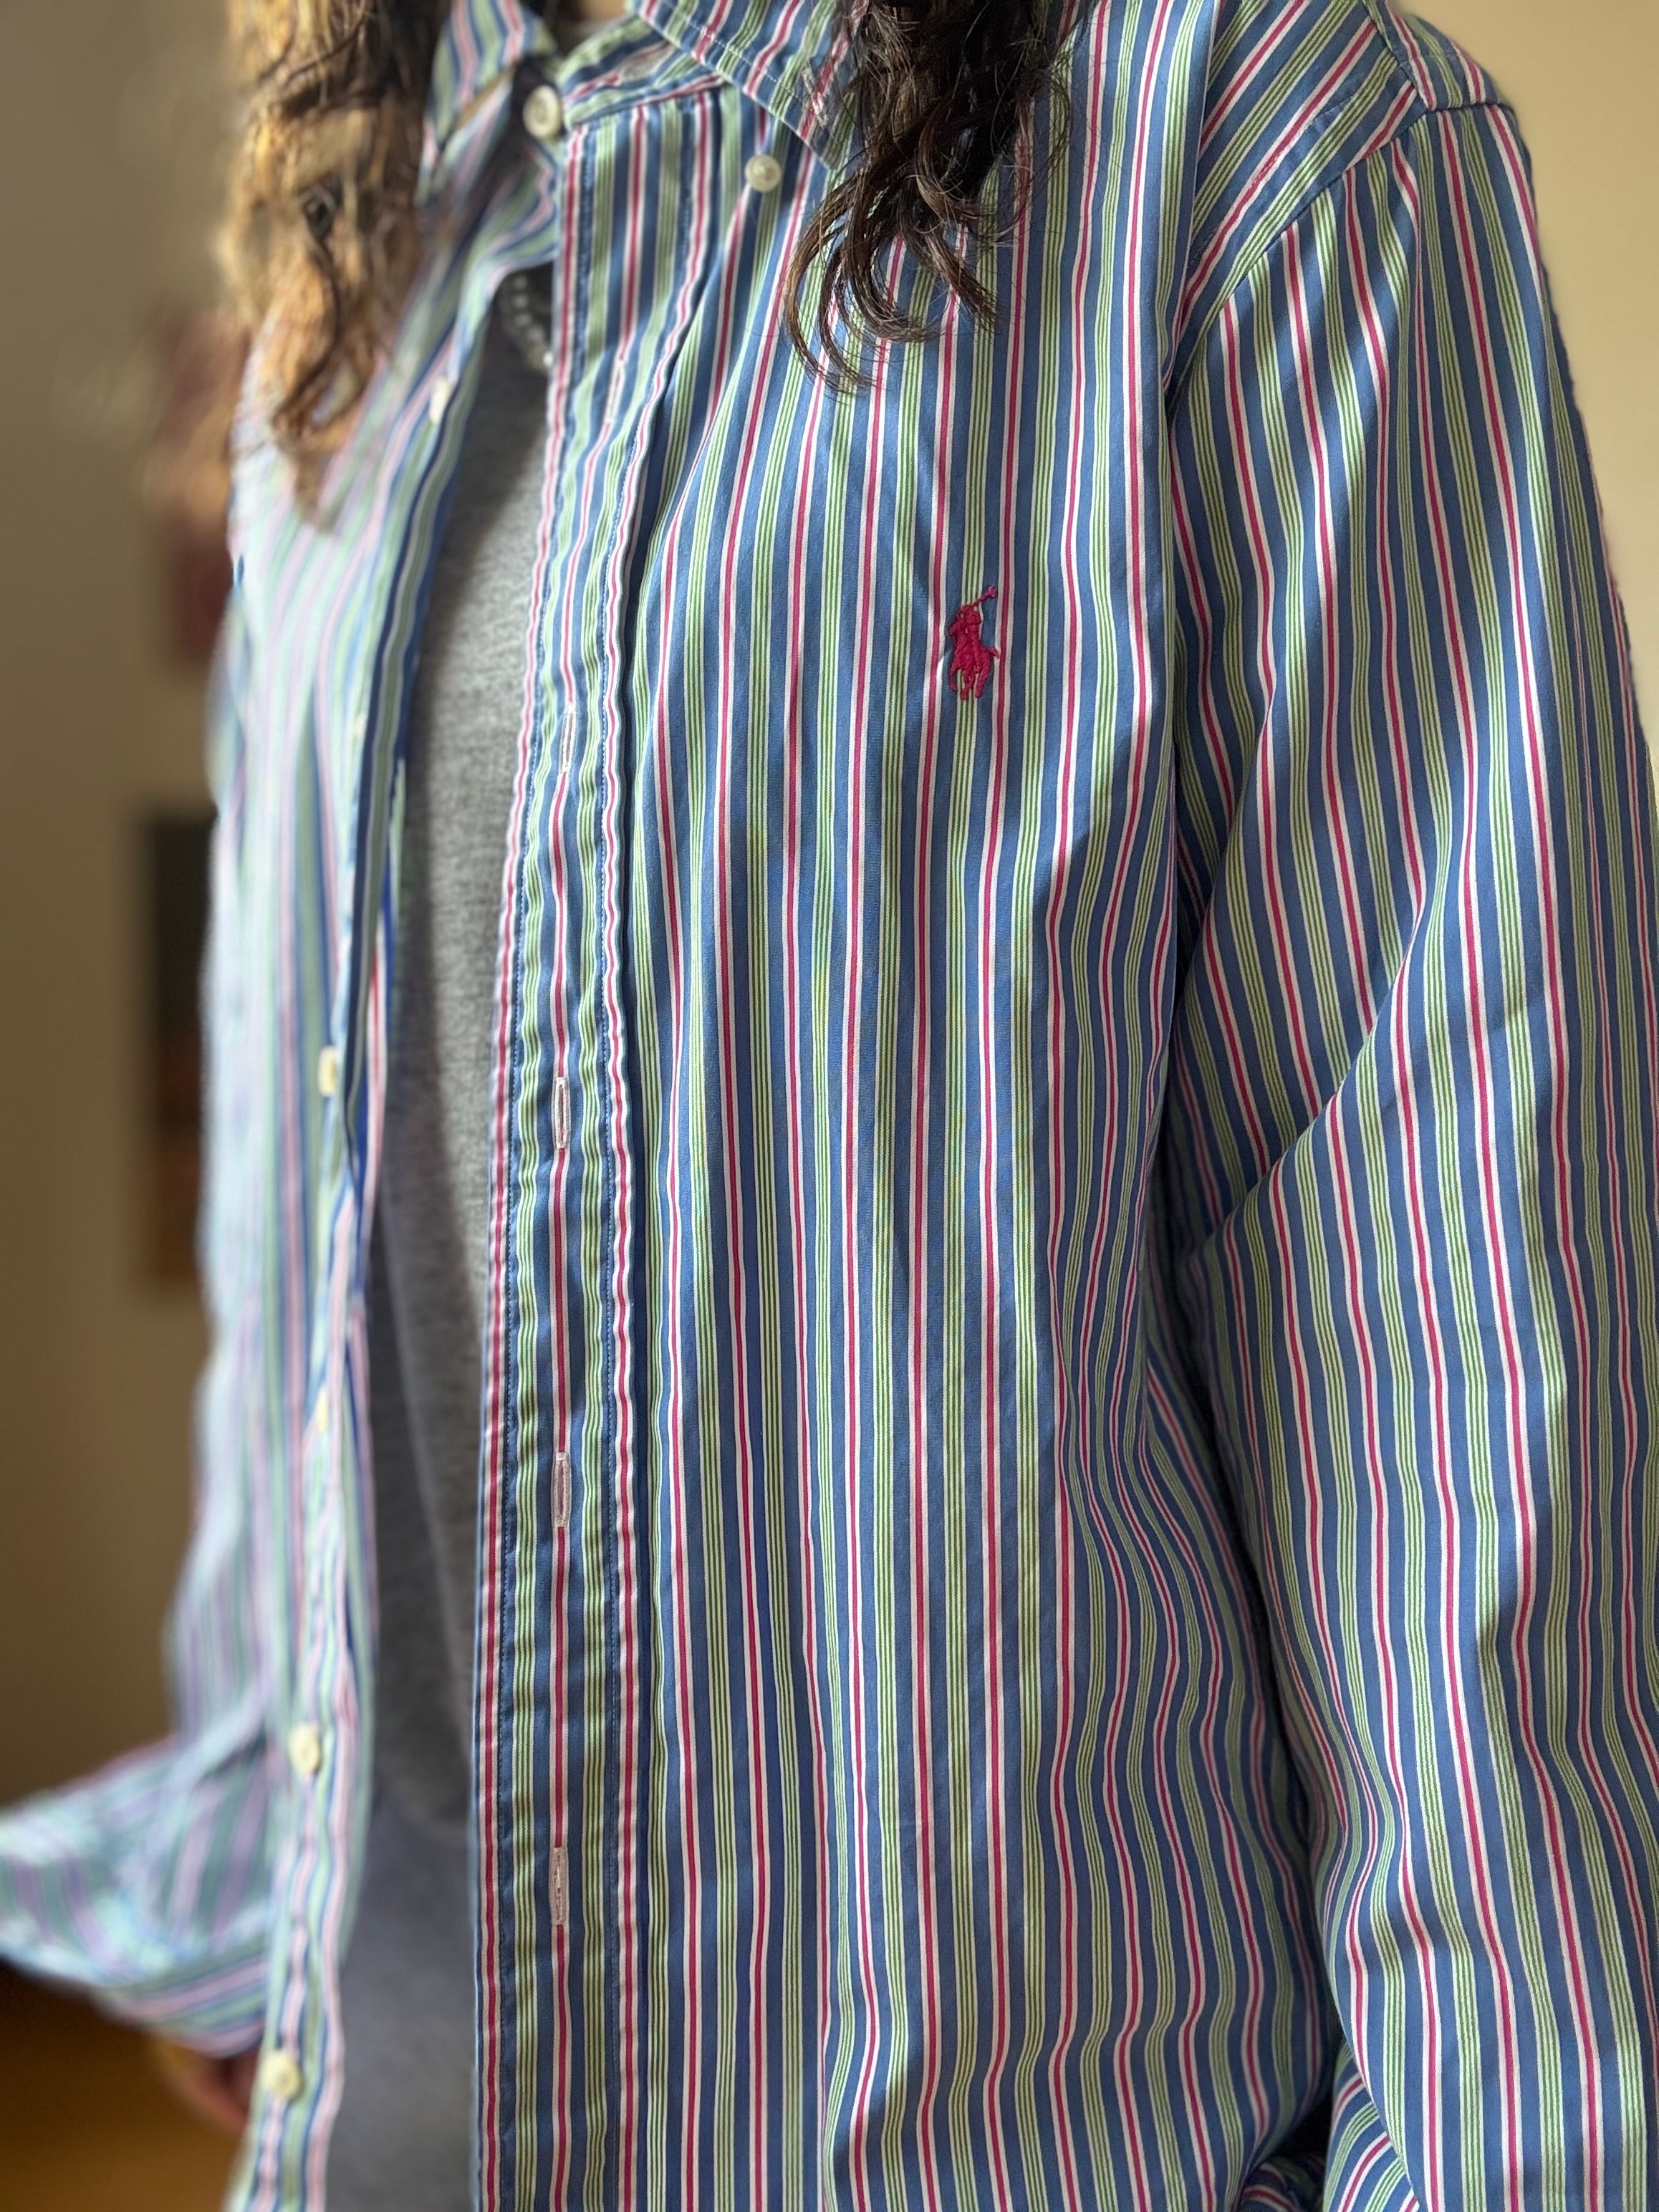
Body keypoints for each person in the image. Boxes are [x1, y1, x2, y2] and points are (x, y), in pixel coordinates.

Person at [4, 0, 1659, 2202]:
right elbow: (303, 1176)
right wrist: (249, 1860)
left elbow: (1456, 1337)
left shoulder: (1269, 141)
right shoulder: (383, 211)